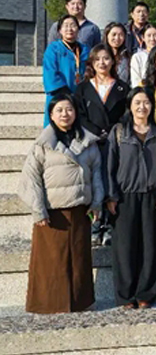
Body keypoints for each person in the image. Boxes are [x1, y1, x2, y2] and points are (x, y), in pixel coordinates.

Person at [19, 93, 103, 313]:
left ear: (76, 113)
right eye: (59, 110)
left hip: (80, 210)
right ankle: (48, 304)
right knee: (50, 260)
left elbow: (96, 175)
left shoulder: (88, 142)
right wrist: (38, 210)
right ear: (51, 115)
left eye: (69, 109)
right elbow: (31, 178)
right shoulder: (42, 144)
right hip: (52, 212)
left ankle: (79, 302)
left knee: (79, 258)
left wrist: (96, 203)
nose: (65, 114)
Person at [107, 87, 156, 309]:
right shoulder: (119, 132)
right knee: (124, 247)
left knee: (151, 247)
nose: (142, 107)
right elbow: (109, 165)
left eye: (146, 102)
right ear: (130, 106)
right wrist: (111, 195)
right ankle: (125, 295)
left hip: (152, 195)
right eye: (137, 102)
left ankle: (146, 293)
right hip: (125, 196)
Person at [75, 43, 130, 245]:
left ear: (113, 61)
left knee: (111, 182)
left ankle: (108, 226)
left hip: (115, 143)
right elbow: (79, 115)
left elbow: (127, 114)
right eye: (97, 59)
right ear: (91, 62)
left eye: (106, 58)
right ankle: (94, 226)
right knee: (93, 183)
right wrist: (97, 132)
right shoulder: (83, 88)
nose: (102, 63)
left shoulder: (122, 87)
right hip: (91, 142)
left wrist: (114, 131)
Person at [42, 14, 89, 126]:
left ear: (78, 29)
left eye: (73, 25)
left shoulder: (85, 50)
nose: (69, 29)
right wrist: (66, 94)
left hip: (80, 96)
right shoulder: (53, 49)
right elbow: (50, 73)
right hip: (59, 95)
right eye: (66, 26)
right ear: (60, 30)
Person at [129, 24, 156, 88]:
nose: (152, 39)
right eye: (149, 36)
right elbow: (135, 81)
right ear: (143, 38)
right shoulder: (137, 57)